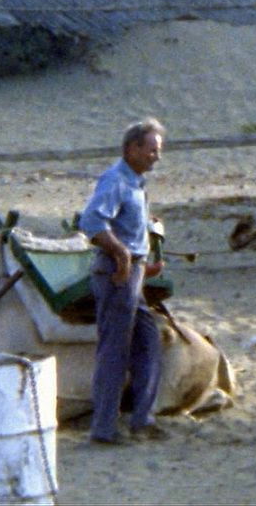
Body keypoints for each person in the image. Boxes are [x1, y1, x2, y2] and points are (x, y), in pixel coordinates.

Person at [80, 117, 169, 445]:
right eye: (152, 150)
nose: (156, 157)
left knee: (149, 341)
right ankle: (103, 429)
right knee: (114, 352)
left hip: (133, 276)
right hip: (116, 276)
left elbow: (129, 229)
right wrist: (121, 255)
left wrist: (144, 264)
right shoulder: (116, 180)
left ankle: (142, 419)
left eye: (158, 150)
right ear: (132, 149)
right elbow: (92, 222)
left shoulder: (136, 184)